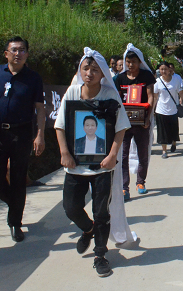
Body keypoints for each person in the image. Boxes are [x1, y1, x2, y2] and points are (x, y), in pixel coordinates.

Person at [55, 48, 133, 277]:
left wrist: (112, 156)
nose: (89, 73)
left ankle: (100, 254)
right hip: (75, 164)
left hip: (102, 167)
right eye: (86, 68)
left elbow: (120, 128)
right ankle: (87, 229)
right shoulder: (72, 92)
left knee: (101, 213)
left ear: (103, 74)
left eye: (95, 69)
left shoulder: (110, 94)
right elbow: (60, 125)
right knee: (70, 208)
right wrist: (64, 152)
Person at [0, 37, 45, 242]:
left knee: (18, 179)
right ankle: (14, 205)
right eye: (14, 50)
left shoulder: (33, 78)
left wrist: (40, 134)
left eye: (22, 50)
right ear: (6, 53)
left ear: (27, 54)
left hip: (22, 133)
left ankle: (15, 222)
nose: (18, 53)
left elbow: (40, 109)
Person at [114, 44, 156, 200]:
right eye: (128, 61)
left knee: (142, 154)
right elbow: (116, 99)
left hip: (142, 123)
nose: (130, 65)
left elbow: (151, 96)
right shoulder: (120, 78)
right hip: (124, 124)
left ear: (139, 62)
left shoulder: (146, 76)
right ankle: (125, 187)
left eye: (134, 62)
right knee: (123, 155)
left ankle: (141, 182)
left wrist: (147, 118)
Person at [154, 62, 183, 158]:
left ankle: (174, 142)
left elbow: (181, 93)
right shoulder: (157, 82)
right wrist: (152, 109)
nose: (163, 71)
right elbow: (155, 97)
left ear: (169, 70)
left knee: (173, 130)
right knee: (162, 131)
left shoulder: (175, 80)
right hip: (161, 110)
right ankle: (164, 151)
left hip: (173, 110)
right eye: (161, 69)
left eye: (165, 69)